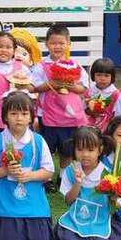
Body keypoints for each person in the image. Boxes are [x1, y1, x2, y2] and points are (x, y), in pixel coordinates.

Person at [0, 92, 55, 240]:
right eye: (13, 113)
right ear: (5, 116)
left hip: (33, 202)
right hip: (7, 201)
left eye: (24, 114)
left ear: (31, 117)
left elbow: (49, 170)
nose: (19, 118)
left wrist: (31, 175)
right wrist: (5, 171)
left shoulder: (38, 141)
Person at [54, 126, 121, 240]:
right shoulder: (70, 170)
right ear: (74, 149)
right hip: (76, 217)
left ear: (100, 150)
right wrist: (78, 183)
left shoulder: (109, 175)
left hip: (99, 220)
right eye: (80, 149)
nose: (85, 154)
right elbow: (68, 201)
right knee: (64, 236)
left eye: (91, 150)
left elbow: (118, 206)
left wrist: (114, 197)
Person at [32, 24, 88, 171]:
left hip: (69, 117)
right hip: (47, 115)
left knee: (67, 150)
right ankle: (46, 175)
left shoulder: (74, 65)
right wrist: (51, 84)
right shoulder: (41, 66)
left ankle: (64, 176)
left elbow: (83, 88)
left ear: (68, 44)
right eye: (53, 43)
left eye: (61, 43)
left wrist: (70, 86)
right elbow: (34, 87)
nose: (57, 47)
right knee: (47, 149)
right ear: (46, 44)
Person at [85, 57, 120, 132]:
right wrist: (90, 111)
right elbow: (84, 110)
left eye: (106, 76)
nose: (102, 78)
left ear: (112, 77)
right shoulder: (89, 91)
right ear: (93, 75)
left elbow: (117, 115)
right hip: (90, 124)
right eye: (99, 75)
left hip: (108, 126)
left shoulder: (115, 94)